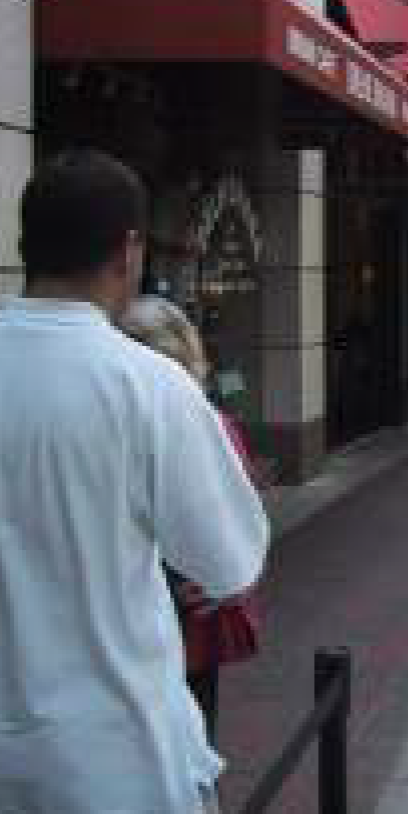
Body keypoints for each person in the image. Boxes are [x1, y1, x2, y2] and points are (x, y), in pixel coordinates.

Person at [0, 151, 269, 814]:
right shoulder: (148, 385)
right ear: (129, 250)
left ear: (26, 244)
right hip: (115, 769)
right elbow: (230, 562)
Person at [120, 295, 262, 741]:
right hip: (133, 619)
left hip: (179, 617)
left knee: (187, 736)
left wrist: (215, 577)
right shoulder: (116, 421)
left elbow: (232, 525)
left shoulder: (206, 425)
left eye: (138, 343)